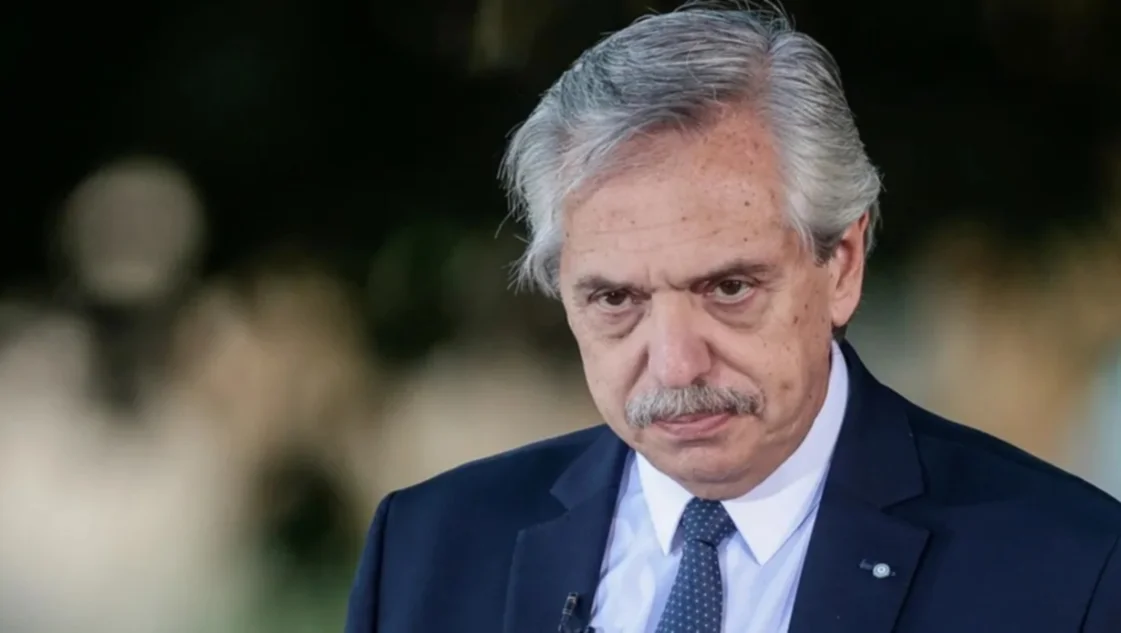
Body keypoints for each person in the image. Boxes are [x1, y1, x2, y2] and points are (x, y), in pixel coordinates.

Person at [345, 4, 1121, 632]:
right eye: (615, 300)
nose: (675, 363)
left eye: (727, 288)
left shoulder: (1070, 569)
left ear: (841, 264)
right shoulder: (427, 550)